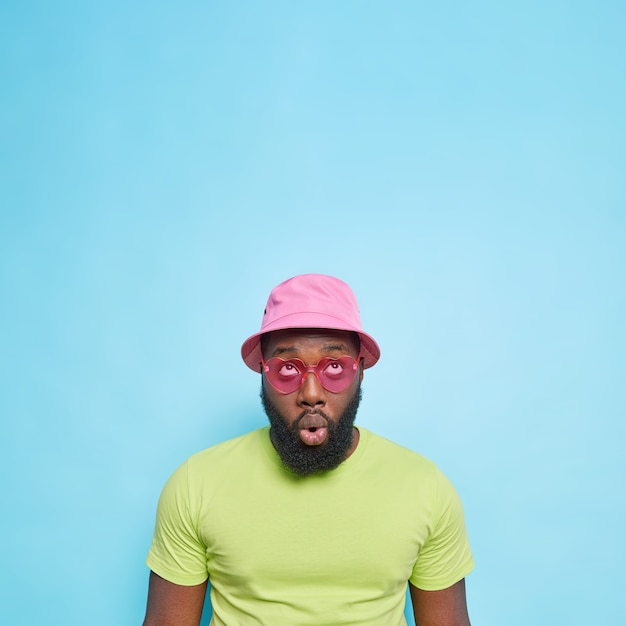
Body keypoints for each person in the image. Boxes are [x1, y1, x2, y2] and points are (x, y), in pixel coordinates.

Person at [143, 274, 474, 626]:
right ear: (262, 373)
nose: (311, 393)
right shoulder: (197, 483)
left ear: (360, 371)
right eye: (288, 368)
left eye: (334, 366)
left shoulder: (424, 487)